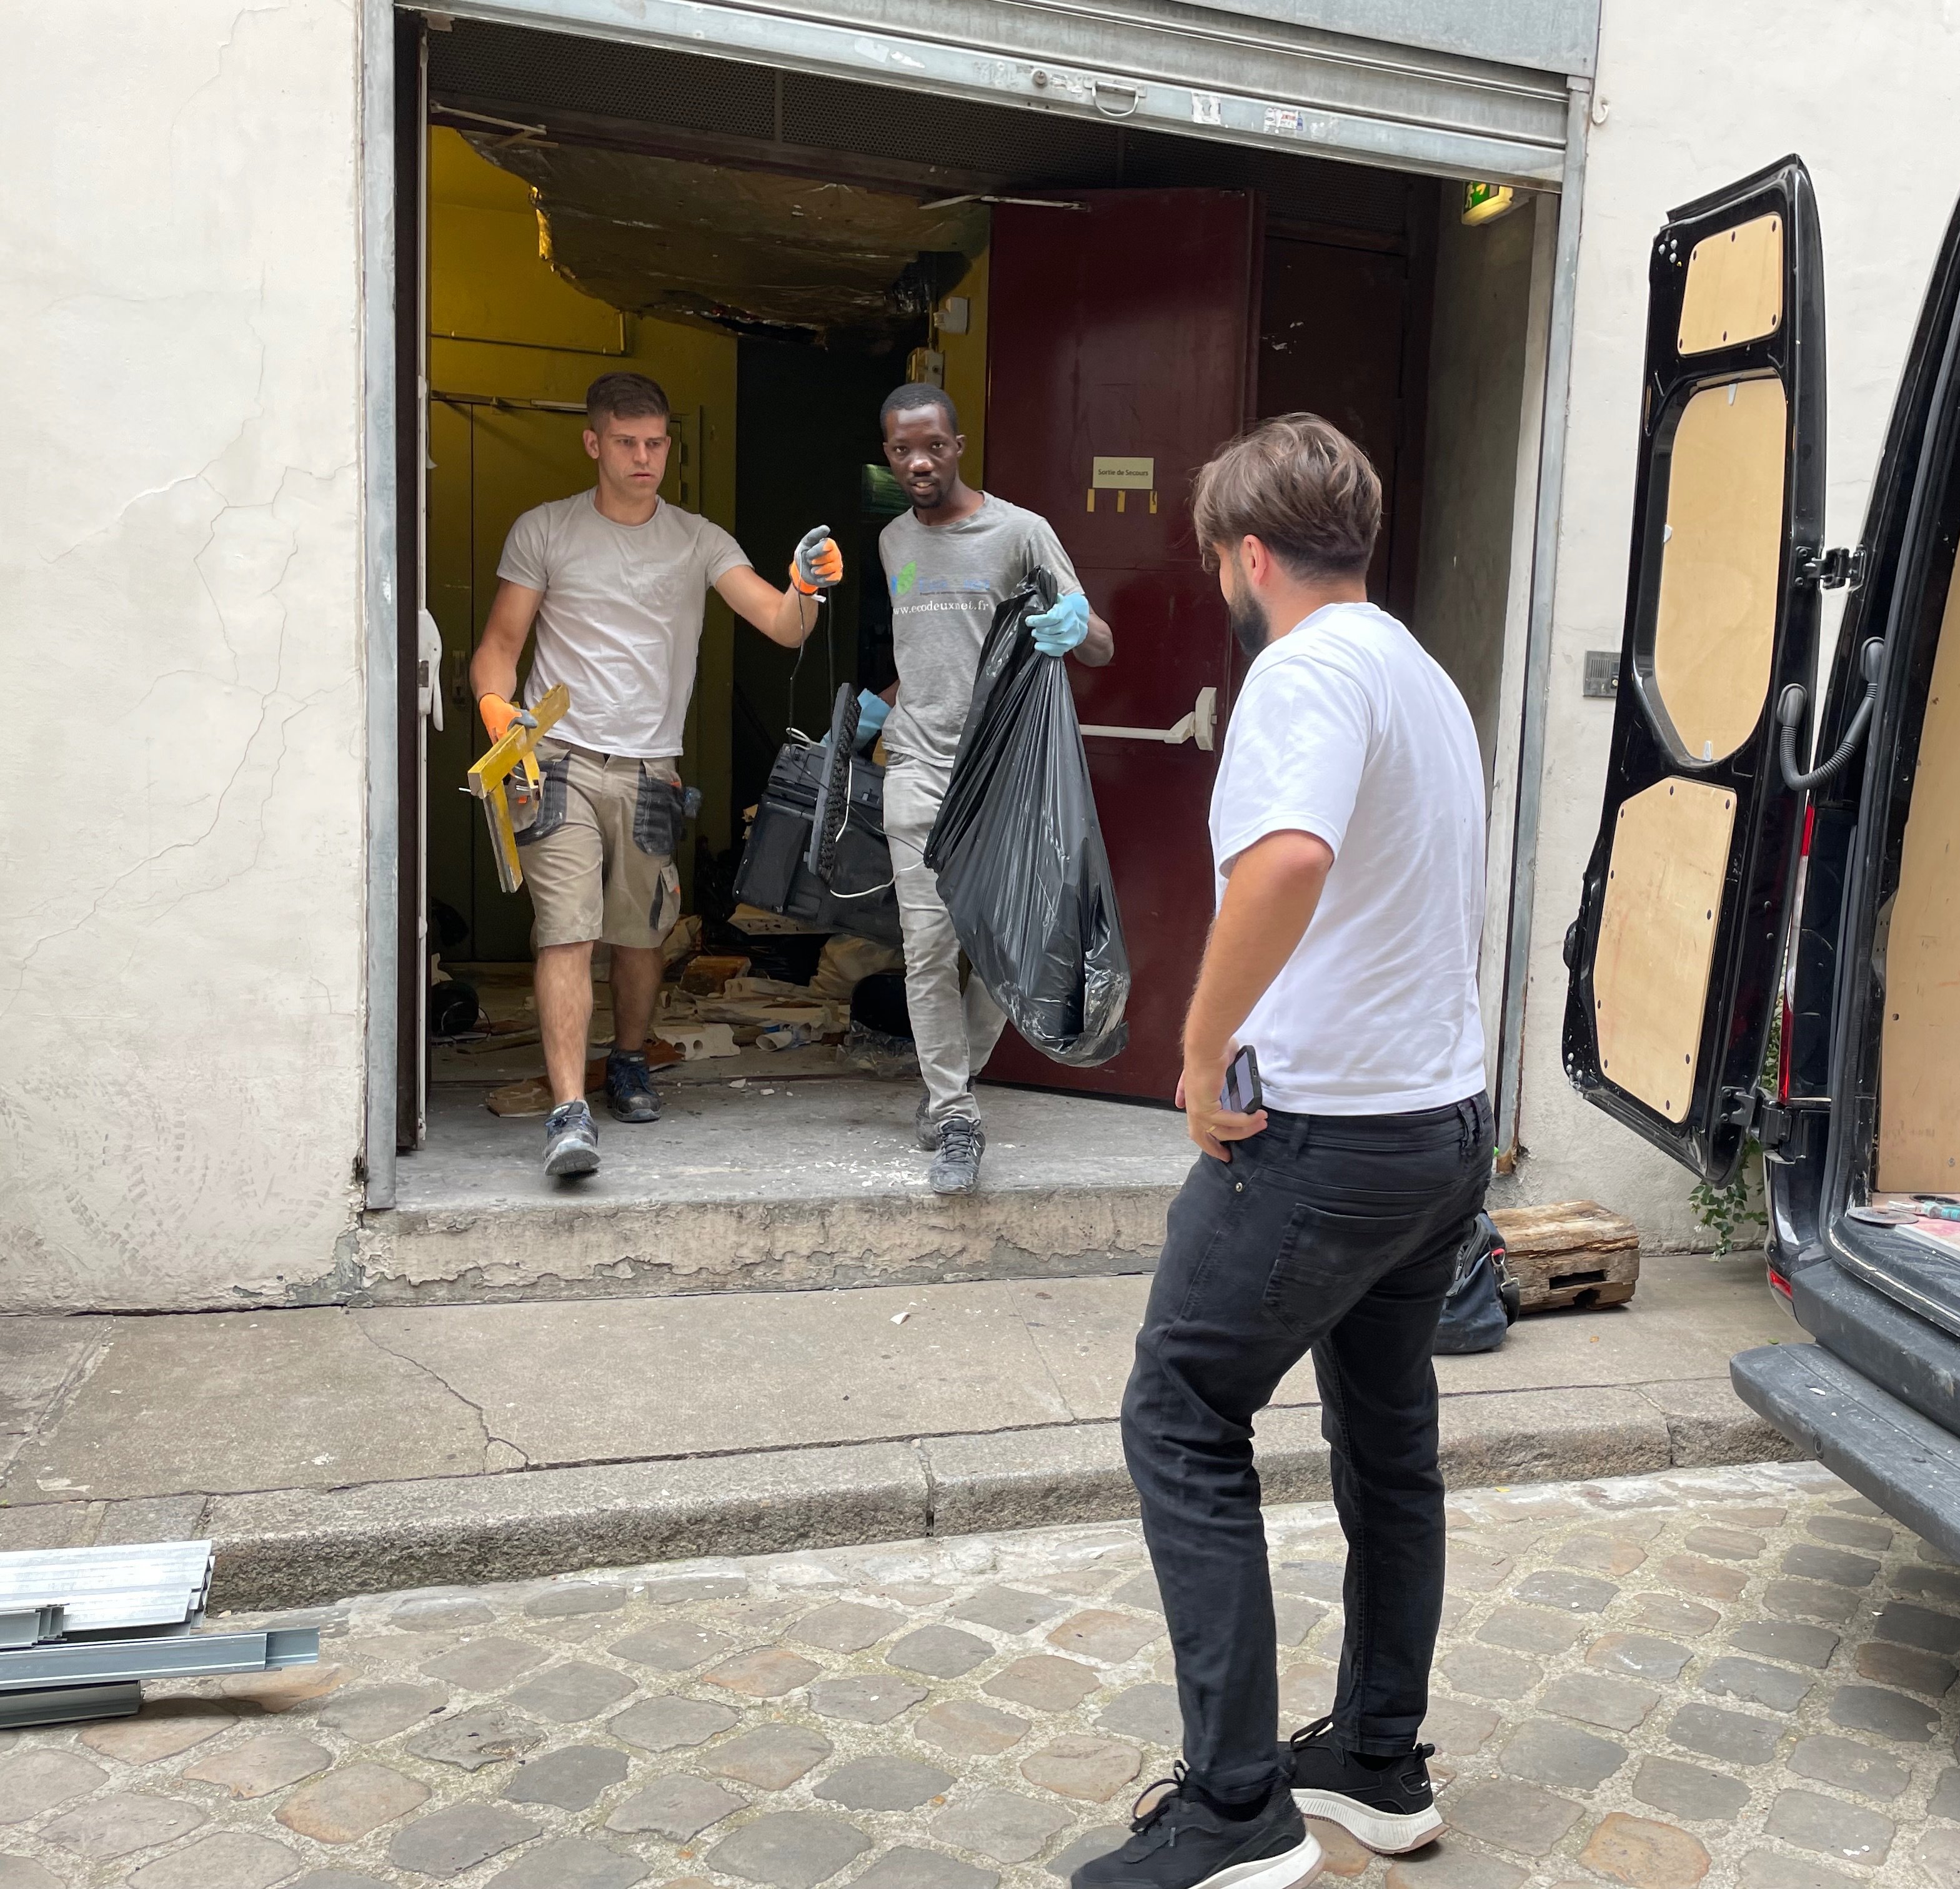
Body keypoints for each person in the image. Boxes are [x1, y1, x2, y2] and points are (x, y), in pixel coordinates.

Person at [1076, 416, 1490, 1889]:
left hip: (1320, 1135)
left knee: (1181, 1410)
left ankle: (1237, 1811)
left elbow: (1294, 857)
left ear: (1246, 557)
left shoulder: (1303, 671)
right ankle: (1378, 1764)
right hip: (1436, 1129)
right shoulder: (1422, 676)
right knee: (1388, 1443)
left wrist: (1196, 1055)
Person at [472, 370, 847, 1179]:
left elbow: (782, 626)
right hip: (558, 759)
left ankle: (631, 1057)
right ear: (593, 443)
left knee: (638, 937)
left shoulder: (697, 540)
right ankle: (571, 1113)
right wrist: (499, 714)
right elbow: (500, 644)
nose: (644, 458)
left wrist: (805, 584)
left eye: (656, 444)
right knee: (565, 930)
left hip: (650, 771)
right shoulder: (547, 531)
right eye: (627, 444)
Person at [872, 383, 1112, 1194]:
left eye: (933, 445)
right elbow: (928, 652)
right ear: (889, 455)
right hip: (917, 776)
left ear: (958, 443)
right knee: (929, 953)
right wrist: (885, 710)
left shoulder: (1020, 534)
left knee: (1015, 952)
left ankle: (958, 1077)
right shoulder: (892, 542)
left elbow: (1102, 641)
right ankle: (954, 1112)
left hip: (1004, 784)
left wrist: (1080, 628)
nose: (919, 462)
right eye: (903, 450)